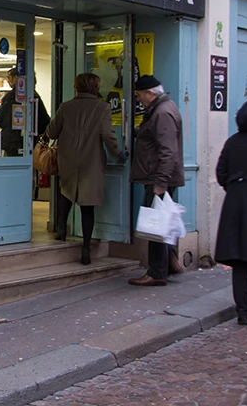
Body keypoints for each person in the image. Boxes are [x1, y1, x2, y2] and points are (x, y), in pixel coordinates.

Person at [44, 73, 126, 265]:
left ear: (77, 87)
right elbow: (108, 135)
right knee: (87, 206)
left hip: (68, 160)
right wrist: (118, 153)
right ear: (96, 87)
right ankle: (86, 248)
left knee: (67, 192)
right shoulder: (102, 108)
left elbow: (52, 132)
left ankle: (62, 229)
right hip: (91, 161)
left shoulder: (66, 107)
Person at [128, 75, 184, 287]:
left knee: (156, 227)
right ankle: (170, 264)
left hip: (158, 178)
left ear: (150, 93)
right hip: (158, 176)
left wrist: (160, 183)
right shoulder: (161, 110)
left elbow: (167, 151)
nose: (139, 100)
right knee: (162, 223)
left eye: (140, 95)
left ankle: (157, 272)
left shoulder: (162, 113)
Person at [214, 96, 247, 325]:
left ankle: (244, 311)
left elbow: (220, 172)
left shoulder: (232, 142)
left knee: (240, 261)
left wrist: (235, 188)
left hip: (236, 203)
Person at [0, 67, 23, 156]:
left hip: (10, 140)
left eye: (9, 78)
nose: (8, 81)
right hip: (25, 141)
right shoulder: (32, 96)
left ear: (15, 78)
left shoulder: (9, 97)